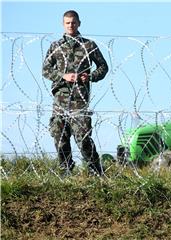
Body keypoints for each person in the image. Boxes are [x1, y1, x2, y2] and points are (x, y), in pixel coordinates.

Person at [42, 10, 108, 176]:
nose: (71, 25)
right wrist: (63, 76)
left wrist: (90, 77)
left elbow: (103, 67)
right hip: (60, 99)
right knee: (60, 136)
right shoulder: (56, 46)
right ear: (63, 25)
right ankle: (65, 170)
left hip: (79, 99)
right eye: (67, 23)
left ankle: (95, 170)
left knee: (83, 138)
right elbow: (45, 69)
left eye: (73, 22)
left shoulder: (89, 46)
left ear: (79, 23)